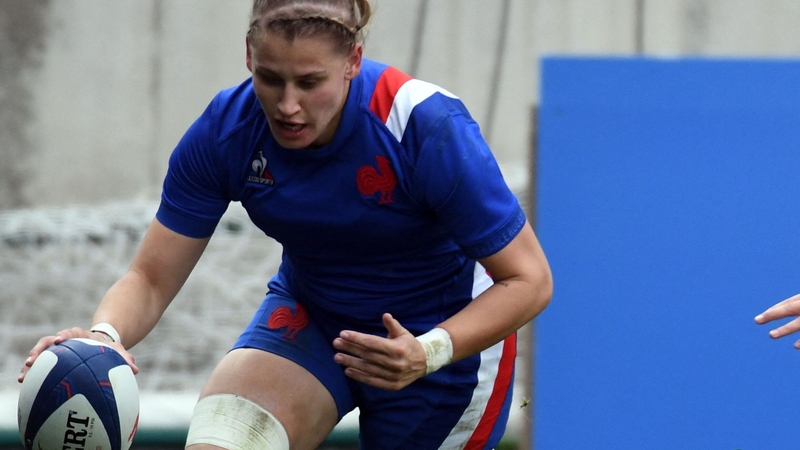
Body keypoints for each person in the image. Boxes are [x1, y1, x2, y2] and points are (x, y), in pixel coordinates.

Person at [19, 0, 553, 448]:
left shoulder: (425, 128)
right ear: (249, 55)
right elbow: (151, 279)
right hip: (314, 317)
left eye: (310, 82)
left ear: (353, 62)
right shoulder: (226, 131)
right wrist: (103, 336)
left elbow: (530, 280)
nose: (288, 105)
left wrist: (427, 351)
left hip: (438, 344)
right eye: (270, 79)